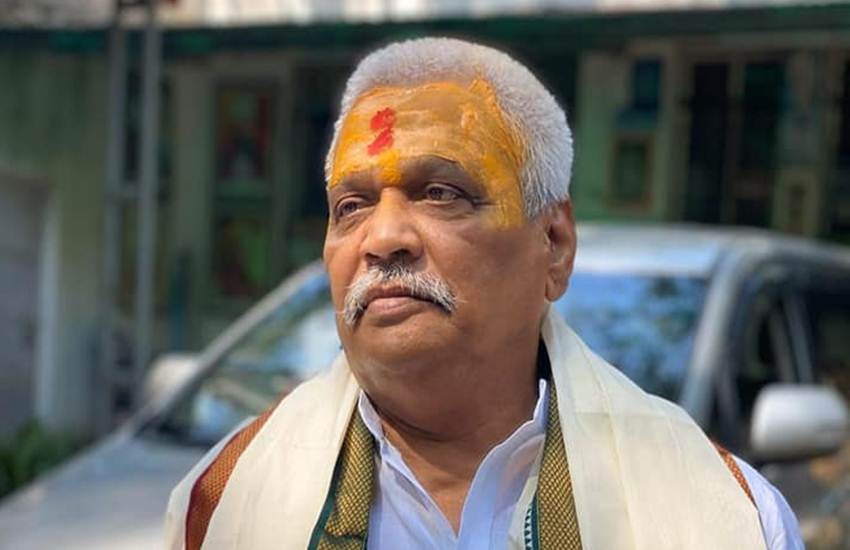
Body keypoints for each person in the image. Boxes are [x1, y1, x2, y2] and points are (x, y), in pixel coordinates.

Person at [165, 37, 803, 549]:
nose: (382, 238)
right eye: (351, 206)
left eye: (440, 193)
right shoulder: (222, 500)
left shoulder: (729, 515)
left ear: (554, 244)